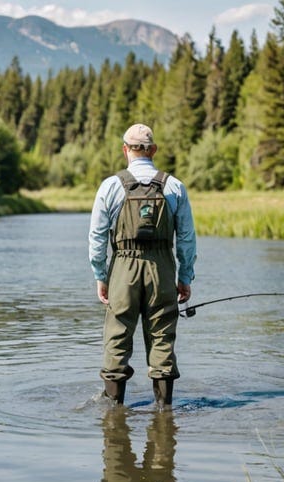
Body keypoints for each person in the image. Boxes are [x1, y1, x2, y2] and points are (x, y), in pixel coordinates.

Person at [88, 123, 197, 408]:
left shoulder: (110, 186)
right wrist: (185, 277)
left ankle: (114, 413)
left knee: (117, 336)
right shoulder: (174, 186)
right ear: (153, 150)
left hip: (123, 267)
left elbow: (97, 238)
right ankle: (164, 412)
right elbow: (186, 238)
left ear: (125, 150)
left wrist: (101, 276)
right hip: (162, 268)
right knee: (162, 335)